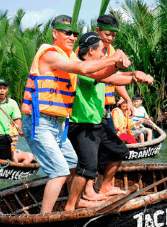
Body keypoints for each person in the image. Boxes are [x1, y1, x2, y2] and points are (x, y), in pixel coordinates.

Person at [21, 15, 131, 214]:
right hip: (40, 122)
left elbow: (96, 75)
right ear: (55, 33)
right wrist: (114, 58)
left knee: (72, 162)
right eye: (67, 33)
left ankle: (76, 201)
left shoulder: (69, 56)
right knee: (59, 171)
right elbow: (83, 67)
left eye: (74, 34)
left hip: (58, 124)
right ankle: (44, 218)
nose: (72, 37)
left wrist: (120, 69)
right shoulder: (49, 54)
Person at [64, 32, 154, 211]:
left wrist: (135, 75)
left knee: (119, 151)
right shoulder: (80, 68)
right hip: (82, 125)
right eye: (102, 52)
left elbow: (113, 76)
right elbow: (106, 76)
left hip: (97, 123)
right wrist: (124, 68)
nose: (104, 55)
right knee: (87, 166)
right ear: (91, 51)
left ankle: (105, 186)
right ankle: (70, 205)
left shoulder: (96, 68)